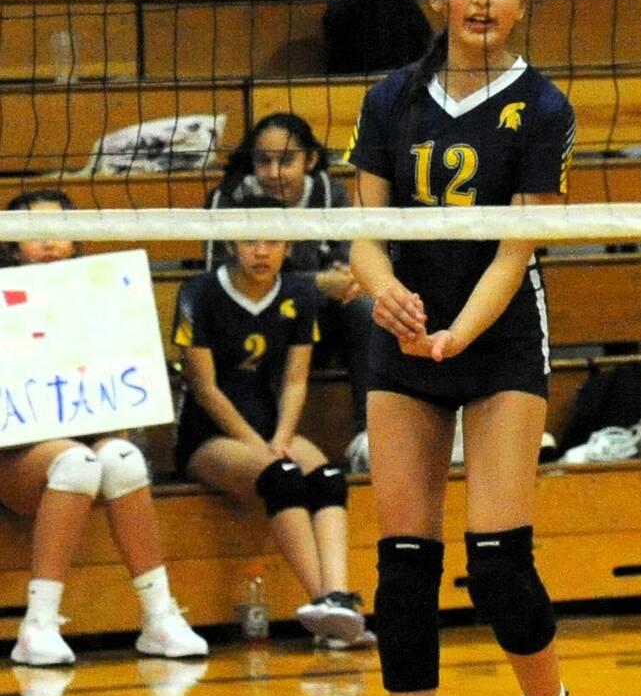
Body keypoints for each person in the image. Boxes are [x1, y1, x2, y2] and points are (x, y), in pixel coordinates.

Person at [345, 0, 580, 696]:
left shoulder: (544, 109)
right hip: (405, 336)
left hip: (497, 337)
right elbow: (363, 233)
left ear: (524, 2)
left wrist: (457, 332)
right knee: (404, 567)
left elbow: (518, 250)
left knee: (496, 566)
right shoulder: (390, 99)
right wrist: (380, 288)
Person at [2, 190, 207, 666]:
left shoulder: (101, 298)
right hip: (11, 455)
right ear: (11, 246)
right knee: (76, 462)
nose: (47, 243)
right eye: (32, 235)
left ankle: (159, 617)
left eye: (57, 232)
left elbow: (119, 397)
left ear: (77, 240)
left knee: (122, 456)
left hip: (80, 448)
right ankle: (38, 625)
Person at [173, 197, 372, 650]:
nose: (261, 251)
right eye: (250, 240)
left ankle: (340, 600)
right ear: (230, 242)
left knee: (327, 476)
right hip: (210, 436)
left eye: (273, 240)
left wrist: (280, 438)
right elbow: (205, 389)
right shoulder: (198, 293)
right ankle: (321, 601)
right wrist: (260, 447)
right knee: (282, 477)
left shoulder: (299, 294)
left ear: (289, 245)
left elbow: (295, 380)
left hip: (270, 428)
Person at [203, 112, 374, 460]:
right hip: (252, 320)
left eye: (286, 160)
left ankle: (367, 436)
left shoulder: (330, 194)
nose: (274, 172)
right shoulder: (228, 199)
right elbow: (218, 278)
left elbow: (346, 263)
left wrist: (344, 279)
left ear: (310, 159)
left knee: (363, 308)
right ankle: (261, 435)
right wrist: (317, 283)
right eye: (263, 161)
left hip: (316, 322)